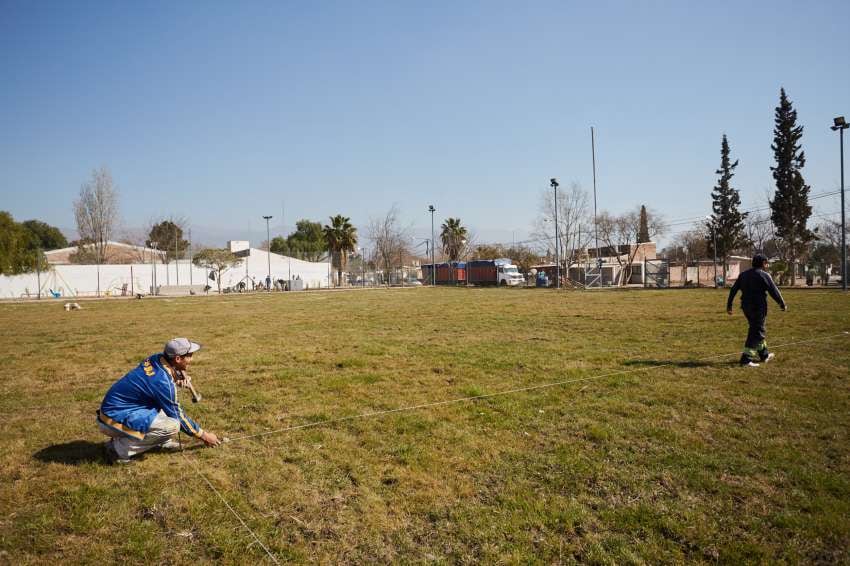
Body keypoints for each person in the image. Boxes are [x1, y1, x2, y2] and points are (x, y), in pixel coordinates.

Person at [97, 338, 221, 464]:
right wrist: (204, 436)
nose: (192, 359)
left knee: (163, 410)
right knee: (172, 426)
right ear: (177, 359)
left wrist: (176, 381)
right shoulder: (162, 382)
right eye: (189, 356)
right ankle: (117, 450)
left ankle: (159, 441)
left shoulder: (156, 358)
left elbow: (156, 382)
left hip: (113, 411)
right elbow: (178, 416)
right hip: (112, 420)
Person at [726, 254, 788, 367]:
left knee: (756, 328)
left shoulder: (743, 275)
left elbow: (733, 290)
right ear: (763, 263)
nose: (767, 265)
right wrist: (782, 303)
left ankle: (764, 355)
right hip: (758, 307)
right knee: (757, 331)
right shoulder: (764, 275)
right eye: (766, 263)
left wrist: (729, 305)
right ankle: (746, 359)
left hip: (746, 307)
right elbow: (774, 291)